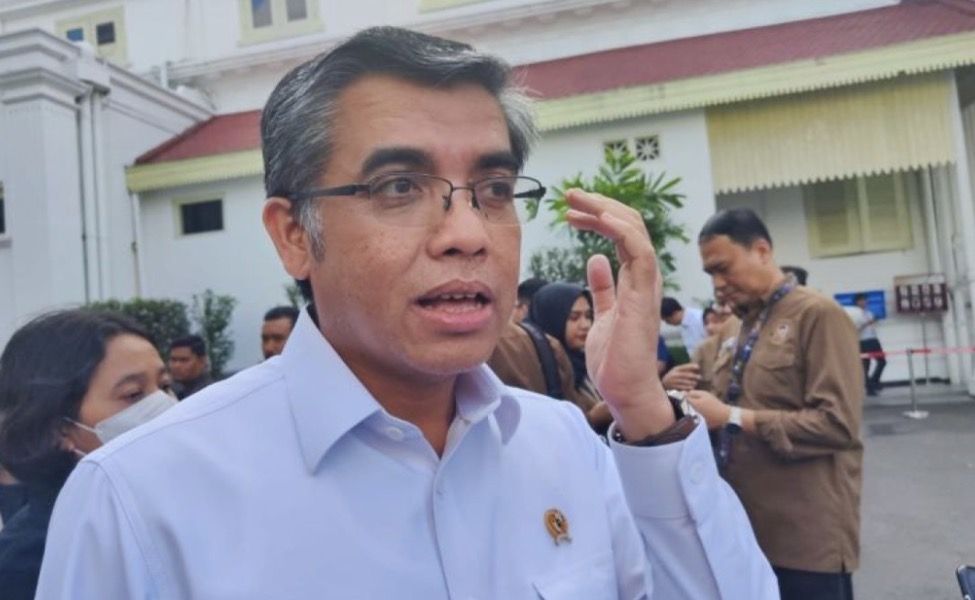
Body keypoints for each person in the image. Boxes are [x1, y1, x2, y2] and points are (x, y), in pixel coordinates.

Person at [36, 27, 776, 599]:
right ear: (294, 236)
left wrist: (643, 410)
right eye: (397, 187)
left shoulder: (566, 446)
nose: (467, 233)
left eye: (494, 190)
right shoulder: (139, 499)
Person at [686, 208, 863, 600]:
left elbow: (837, 424)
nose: (718, 284)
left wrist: (731, 417)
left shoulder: (817, 315)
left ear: (762, 251)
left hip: (806, 542)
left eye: (724, 268)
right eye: (710, 274)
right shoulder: (737, 326)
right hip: (748, 534)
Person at [0, 310, 176, 600]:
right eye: (134, 394)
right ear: (59, 428)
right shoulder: (27, 564)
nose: (166, 405)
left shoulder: (168, 510)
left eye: (165, 386)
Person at [527, 282, 612, 433]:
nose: (585, 325)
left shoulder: (586, 361)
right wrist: (593, 418)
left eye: (588, 316)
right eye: (574, 317)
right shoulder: (541, 367)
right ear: (552, 319)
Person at [849, 293, 885, 396]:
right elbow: (855, 328)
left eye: (865, 300)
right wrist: (868, 323)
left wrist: (873, 321)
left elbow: (871, 324)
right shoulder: (854, 314)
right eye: (862, 300)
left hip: (873, 339)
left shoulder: (869, 313)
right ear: (857, 302)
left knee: (882, 361)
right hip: (863, 341)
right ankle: (869, 388)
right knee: (866, 365)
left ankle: (874, 381)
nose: (865, 302)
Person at [167, 335, 212, 399]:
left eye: (184, 360)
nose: (177, 365)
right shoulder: (170, 391)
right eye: (173, 360)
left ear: (202, 361)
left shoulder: (208, 393)